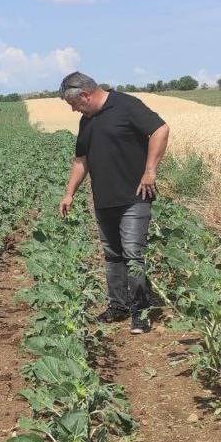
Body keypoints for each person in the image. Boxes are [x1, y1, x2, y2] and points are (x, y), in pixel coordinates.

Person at [57, 72, 170, 334]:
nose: (74, 109)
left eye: (74, 103)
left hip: (134, 197)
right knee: (112, 256)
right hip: (104, 199)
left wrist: (150, 170)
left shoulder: (126, 105)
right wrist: (69, 193)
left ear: (85, 95)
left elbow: (160, 129)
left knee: (132, 254)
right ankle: (118, 306)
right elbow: (81, 160)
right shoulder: (87, 121)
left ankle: (140, 313)